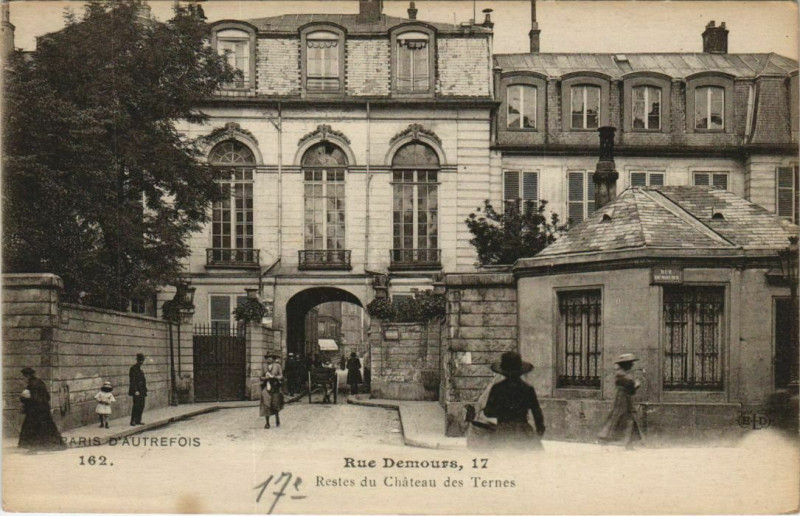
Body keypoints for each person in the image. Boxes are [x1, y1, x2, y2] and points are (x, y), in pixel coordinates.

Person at [482, 352, 545, 451]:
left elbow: (488, 412)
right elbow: (537, 412)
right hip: (523, 431)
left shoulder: (497, 388)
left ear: (503, 370)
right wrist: (538, 431)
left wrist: (501, 412)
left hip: (502, 432)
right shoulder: (527, 388)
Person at [598, 353, 645, 449]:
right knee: (618, 417)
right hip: (622, 398)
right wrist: (636, 383)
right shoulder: (621, 374)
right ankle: (605, 438)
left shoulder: (624, 373)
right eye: (630, 363)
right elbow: (631, 384)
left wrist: (635, 384)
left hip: (626, 397)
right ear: (626, 364)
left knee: (630, 418)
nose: (632, 365)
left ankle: (629, 443)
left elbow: (632, 388)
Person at [18, 368, 66, 451]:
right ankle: (53, 444)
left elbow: (34, 398)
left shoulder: (32, 385)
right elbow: (47, 396)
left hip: (35, 411)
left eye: (24, 377)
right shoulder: (40, 382)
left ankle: (33, 446)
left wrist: (23, 398)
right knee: (47, 427)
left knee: (32, 428)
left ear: (28, 376)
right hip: (44, 409)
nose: (23, 379)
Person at [260, 354, 284, 429]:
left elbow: (281, 376)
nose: (269, 359)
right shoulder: (264, 367)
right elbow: (260, 377)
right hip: (266, 386)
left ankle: (277, 418)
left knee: (275, 403)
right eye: (267, 358)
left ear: (273, 359)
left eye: (270, 358)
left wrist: (275, 377)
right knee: (266, 404)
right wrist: (265, 378)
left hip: (275, 386)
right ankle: (267, 423)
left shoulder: (277, 366)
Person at [129, 353, 147, 426]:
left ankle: (138, 420)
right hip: (136, 391)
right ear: (137, 360)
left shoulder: (141, 368)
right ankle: (133, 420)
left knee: (142, 405)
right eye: (140, 360)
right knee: (136, 405)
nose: (141, 362)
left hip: (142, 390)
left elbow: (143, 380)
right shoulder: (133, 368)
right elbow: (132, 380)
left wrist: (145, 389)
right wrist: (135, 390)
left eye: (142, 361)